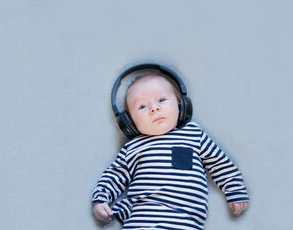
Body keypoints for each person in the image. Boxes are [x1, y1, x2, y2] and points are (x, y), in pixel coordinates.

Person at [92, 73, 249, 229]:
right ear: (129, 122)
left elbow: (219, 162)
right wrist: (100, 200)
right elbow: (114, 175)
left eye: (161, 100)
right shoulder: (132, 148)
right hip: (141, 222)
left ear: (181, 105)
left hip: (185, 224)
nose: (154, 108)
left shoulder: (193, 135)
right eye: (142, 106)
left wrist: (234, 189)